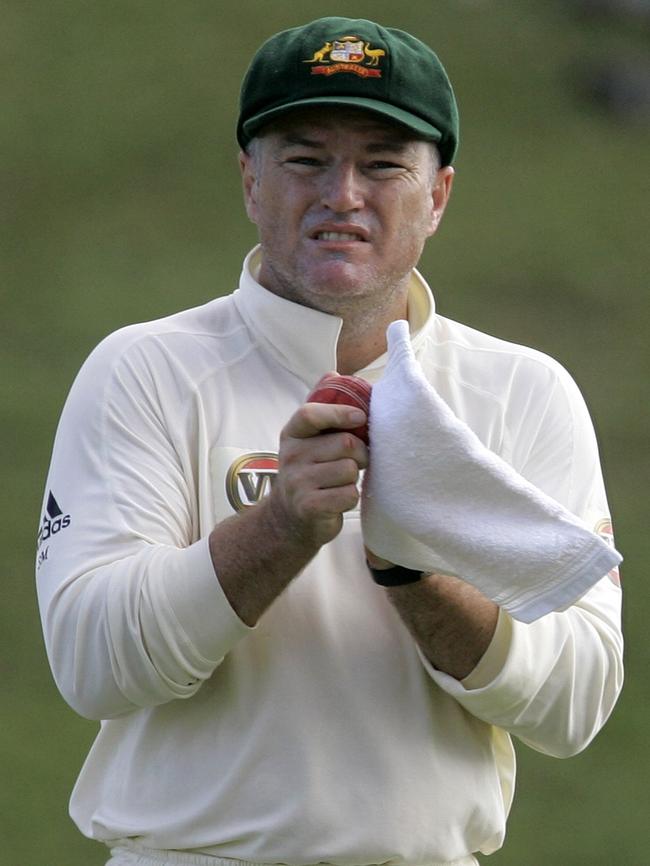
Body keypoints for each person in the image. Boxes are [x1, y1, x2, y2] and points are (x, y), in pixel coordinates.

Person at [36, 16, 623, 866]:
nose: (342, 194)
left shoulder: (523, 392)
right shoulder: (144, 370)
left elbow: (577, 703)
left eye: (384, 163)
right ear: (249, 180)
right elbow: (93, 665)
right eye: (305, 159)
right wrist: (280, 527)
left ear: (439, 194)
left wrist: (410, 568)